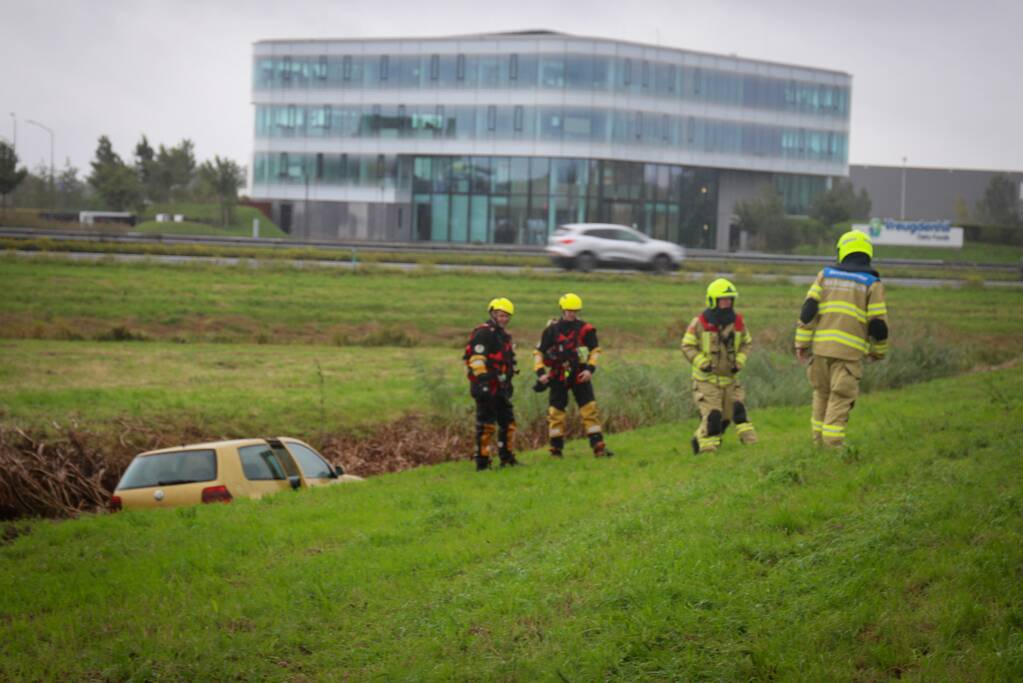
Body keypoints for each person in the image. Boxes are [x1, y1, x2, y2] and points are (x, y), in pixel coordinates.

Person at [795, 229, 889, 447]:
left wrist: (801, 344)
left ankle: (818, 444)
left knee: (821, 394)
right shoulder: (872, 283)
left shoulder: (825, 275)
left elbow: (808, 312)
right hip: (848, 356)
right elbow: (878, 325)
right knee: (840, 398)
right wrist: (878, 351)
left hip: (820, 351)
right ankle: (833, 445)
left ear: (842, 251)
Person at [681, 278, 758, 454]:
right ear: (712, 301)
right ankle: (707, 453)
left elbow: (746, 343)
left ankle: (701, 441)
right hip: (706, 380)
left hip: (730, 380)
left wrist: (740, 361)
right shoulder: (699, 323)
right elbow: (687, 346)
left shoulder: (738, 323)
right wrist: (702, 363)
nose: (727, 303)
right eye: (723, 300)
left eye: (730, 299)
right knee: (713, 416)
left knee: (731, 416)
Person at [533, 293, 612, 457]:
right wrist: (541, 373)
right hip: (558, 375)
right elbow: (538, 353)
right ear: (562, 310)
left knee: (589, 409)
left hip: (580, 374)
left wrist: (589, 370)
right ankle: (556, 450)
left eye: (575, 311)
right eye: (569, 311)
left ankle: (598, 446)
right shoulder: (551, 330)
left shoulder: (586, 329)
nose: (572, 314)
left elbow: (595, 351)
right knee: (555, 413)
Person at [464, 297, 519, 470]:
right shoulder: (484, 333)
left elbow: (508, 362)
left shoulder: (503, 336)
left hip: (500, 386)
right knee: (486, 425)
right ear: (493, 314)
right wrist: (483, 382)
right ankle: (482, 462)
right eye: (501, 315)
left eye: (507, 316)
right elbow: (476, 359)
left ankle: (507, 458)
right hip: (485, 386)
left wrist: (508, 382)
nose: (504, 319)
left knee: (508, 422)